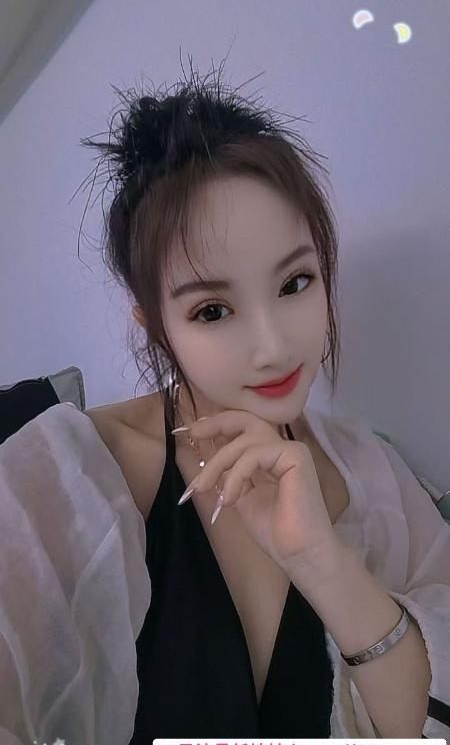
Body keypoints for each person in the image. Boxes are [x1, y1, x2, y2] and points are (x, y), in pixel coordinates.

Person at [1, 60, 449, 745]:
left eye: (295, 283)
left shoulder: (372, 473)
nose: (272, 346)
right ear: (156, 326)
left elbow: (424, 721)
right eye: (212, 310)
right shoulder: (60, 479)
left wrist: (324, 563)